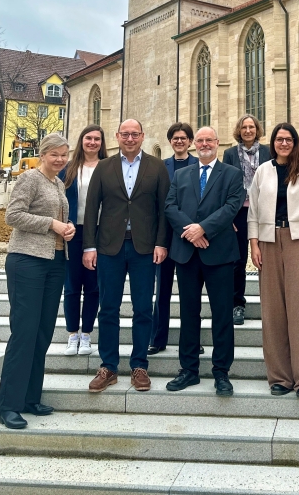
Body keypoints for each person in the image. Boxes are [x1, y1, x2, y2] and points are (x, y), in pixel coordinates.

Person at [82, 119, 169, 393]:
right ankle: (108, 366)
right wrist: (89, 246)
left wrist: (161, 243)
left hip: (145, 248)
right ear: (117, 136)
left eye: (134, 134)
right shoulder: (104, 167)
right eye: (125, 134)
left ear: (142, 136)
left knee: (143, 308)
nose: (130, 139)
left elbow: (164, 208)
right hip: (110, 247)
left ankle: (139, 365)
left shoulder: (157, 167)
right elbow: (91, 207)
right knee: (108, 307)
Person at [0, 134, 75, 430]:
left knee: (42, 333)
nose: (60, 159)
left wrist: (66, 228)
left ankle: (31, 398)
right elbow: (13, 216)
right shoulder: (29, 178)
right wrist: (51, 224)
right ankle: (9, 406)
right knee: (24, 333)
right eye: (54, 154)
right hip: (27, 261)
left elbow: (55, 219)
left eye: (64, 154)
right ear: (42, 155)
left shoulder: (58, 184)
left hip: (54, 262)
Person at [248, 122, 299, 398]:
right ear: (273, 143)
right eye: (279, 139)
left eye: (288, 139)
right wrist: (254, 244)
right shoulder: (263, 171)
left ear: (295, 142)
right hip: (269, 241)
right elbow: (253, 211)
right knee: (273, 312)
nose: (284, 143)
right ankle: (280, 378)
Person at [165, 126, 245, 396]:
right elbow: (170, 207)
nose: (204, 144)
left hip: (219, 253)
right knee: (189, 313)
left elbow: (231, 207)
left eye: (208, 140)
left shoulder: (232, 174)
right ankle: (188, 370)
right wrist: (192, 232)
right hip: (187, 254)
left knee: (222, 315)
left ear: (217, 143)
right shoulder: (181, 175)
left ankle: (221, 372)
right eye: (199, 140)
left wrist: (203, 229)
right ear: (194, 144)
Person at [148, 122, 199, 355]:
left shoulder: (198, 165)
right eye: (175, 138)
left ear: (190, 142)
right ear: (170, 141)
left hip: (190, 236)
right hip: (165, 236)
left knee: (191, 294)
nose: (179, 141)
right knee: (162, 291)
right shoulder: (161, 167)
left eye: (183, 138)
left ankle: (192, 341)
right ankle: (158, 339)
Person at [59, 126, 107, 356]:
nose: (92, 142)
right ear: (81, 140)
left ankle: (86, 333)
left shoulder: (108, 167)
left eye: (97, 139)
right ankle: (72, 334)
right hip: (73, 231)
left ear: (102, 143)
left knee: (93, 285)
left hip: (99, 232)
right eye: (89, 138)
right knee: (71, 285)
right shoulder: (68, 169)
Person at [222, 115, 270, 325]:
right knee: (238, 260)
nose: (248, 130)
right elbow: (223, 184)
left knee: (268, 259)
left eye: (251, 127)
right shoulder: (230, 154)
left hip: (265, 210)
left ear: (257, 129)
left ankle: (271, 303)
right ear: (239, 131)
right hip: (239, 212)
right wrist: (228, 218)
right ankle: (237, 304)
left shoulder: (268, 151)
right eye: (244, 127)